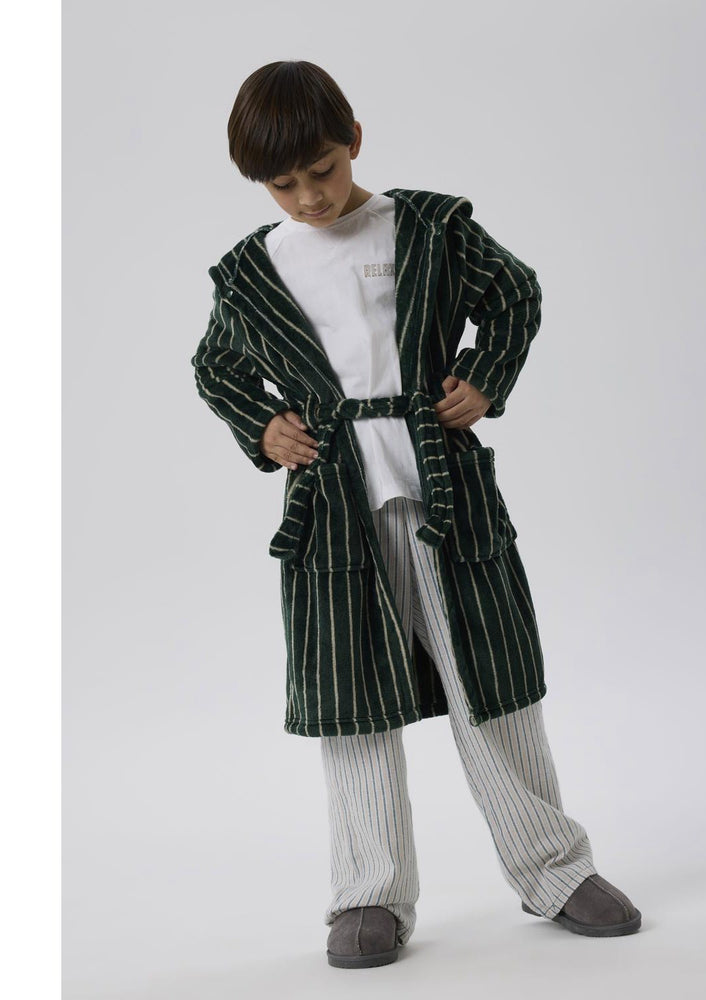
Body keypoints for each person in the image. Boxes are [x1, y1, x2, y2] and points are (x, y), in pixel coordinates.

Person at [191, 59, 641, 969]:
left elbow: (514, 293)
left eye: (323, 170)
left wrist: (484, 378)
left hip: (446, 494)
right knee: (351, 700)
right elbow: (215, 366)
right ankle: (369, 892)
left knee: (493, 682)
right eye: (284, 185)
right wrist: (265, 427)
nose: (310, 197)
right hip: (333, 513)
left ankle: (553, 868)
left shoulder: (429, 226)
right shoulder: (251, 272)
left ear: (354, 140)